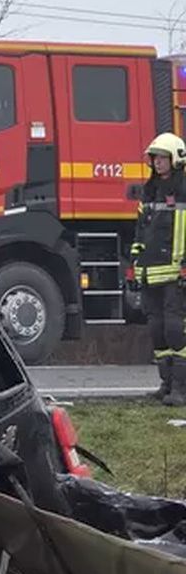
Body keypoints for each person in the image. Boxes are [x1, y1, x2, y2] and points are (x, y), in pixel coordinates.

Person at [130, 133, 186, 405]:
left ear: (176, 159)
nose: (158, 163)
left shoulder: (184, 188)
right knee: (157, 330)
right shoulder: (150, 190)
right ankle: (165, 384)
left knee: (176, 330)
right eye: (155, 158)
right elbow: (141, 230)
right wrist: (136, 261)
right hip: (151, 272)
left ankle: (181, 388)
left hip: (176, 274)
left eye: (163, 158)